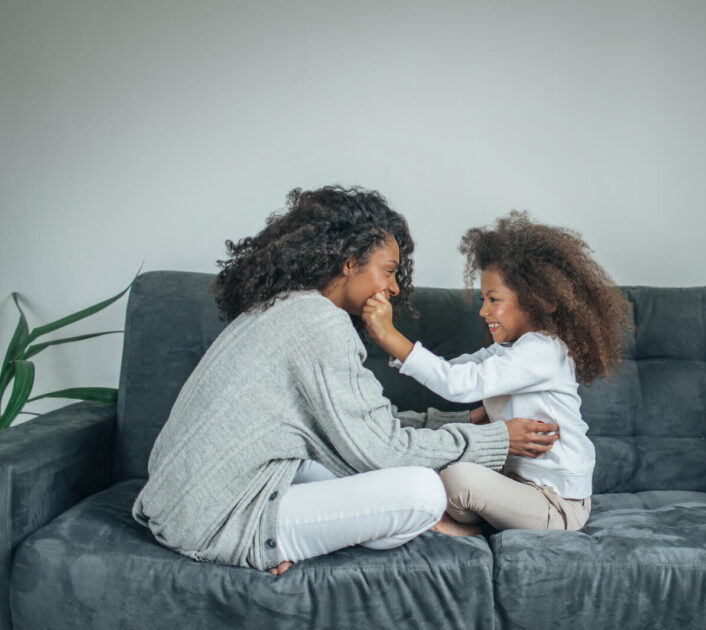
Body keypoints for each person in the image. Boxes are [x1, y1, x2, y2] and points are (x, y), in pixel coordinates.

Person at [131, 187, 559, 576]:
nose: (393, 288)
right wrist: (496, 440)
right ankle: (272, 544)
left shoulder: (287, 307)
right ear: (350, 262)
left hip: (180, 501)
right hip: (216, 518)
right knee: (423, 491)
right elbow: (383, 452)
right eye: (388, 271)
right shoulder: (320, 325)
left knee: (335, 461)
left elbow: (368, 428)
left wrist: (462, 417)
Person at [361, 211, 630, 534]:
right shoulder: (510, 349)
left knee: (456, 479)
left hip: (555, 502)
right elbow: (456, 370)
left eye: (493, 299)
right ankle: (482, 519)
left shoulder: (543, 351)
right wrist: (404, 353)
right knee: (436, 467)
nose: (483, 310)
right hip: (514, 485)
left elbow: (459, 385)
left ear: (537, 300)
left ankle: (471, 531)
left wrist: (391, 337)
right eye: (482, 299)